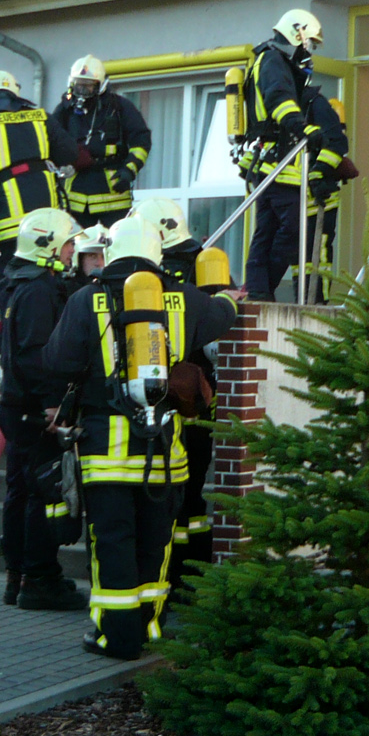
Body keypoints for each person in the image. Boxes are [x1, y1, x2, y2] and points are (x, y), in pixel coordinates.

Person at [43, 217, 239, 660]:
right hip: (165, 449)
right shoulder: (181, 299)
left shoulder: (84, 299)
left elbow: (56, 362)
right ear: (157, 254)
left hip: (105, 453)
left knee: (111, 542)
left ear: (110, 253)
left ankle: (115, 634)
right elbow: (224, 314)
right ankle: (150, 625)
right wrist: (228, 295)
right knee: (157, 542)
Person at [0, 207, 87, 612]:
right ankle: (38, 578)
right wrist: (52, 404)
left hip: (19, 408)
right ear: (49, 245)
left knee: (21, 491)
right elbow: (36, 355)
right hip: (34, 411)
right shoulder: (38, 291)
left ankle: (19, 576)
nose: (72, 251)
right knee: (41, 494)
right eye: (68, 243)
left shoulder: (22, 285)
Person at [133, 198, 219, 591]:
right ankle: (189, 570)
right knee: (190, 486)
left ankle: (178, 570)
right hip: (196, 396)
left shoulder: (152, 271)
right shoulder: (206, 263)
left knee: (179, 488)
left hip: (175, 395)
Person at [0, 69, 84, 284]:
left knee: (12, 285)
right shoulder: (41, 117)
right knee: (50, 279)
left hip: (10, 225)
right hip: (48, 221)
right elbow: (70, 153)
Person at [242, 9, 324, 301]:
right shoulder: (275, 61)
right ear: (297, 33)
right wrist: (303, 129)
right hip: (278, 161)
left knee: (268, 229)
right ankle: (261, 288)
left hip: (272, 160)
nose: (309, 50)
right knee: (291, 229)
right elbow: (279, 100)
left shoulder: (271, 59)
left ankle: (258, 290)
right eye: (309, 43)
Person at [55, 55, 152, 228]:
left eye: (88, 86)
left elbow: (141, 139)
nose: (82, 91)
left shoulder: (119, 107)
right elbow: (51, 139)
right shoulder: (65, 109)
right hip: (76, 194)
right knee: (79, 246)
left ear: (101, 85)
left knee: (116, 243)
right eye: (79, 85)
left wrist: (129, 170)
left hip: (112, 192)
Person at [301, 84, 353, 304]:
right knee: (301, 256)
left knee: (320, 252)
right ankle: (303, 296)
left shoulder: (316, 106)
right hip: (301, 196)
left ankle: (318, 302)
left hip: (322, 197)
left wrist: (318, 175)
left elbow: (337, 146)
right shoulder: (298, 106)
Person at [65, 223, 110, 296]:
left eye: (104, 256)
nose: (99, 263)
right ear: (80, 260)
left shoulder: (124, 288)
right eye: (92, 256)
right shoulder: (65, 292)